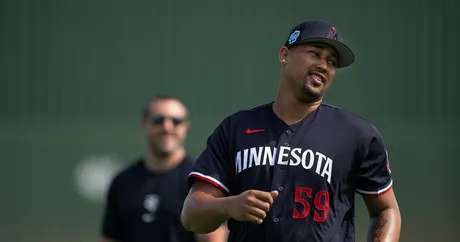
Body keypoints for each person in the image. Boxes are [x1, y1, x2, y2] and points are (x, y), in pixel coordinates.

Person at [181, 20, 401, 242]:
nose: (324, 66)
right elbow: (191, 215)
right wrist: (230, 205)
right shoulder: (235, 129)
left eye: (331, 61)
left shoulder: (356, 134)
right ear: (284, 55)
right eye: (315, 53)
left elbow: (386, 211)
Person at [99, 95, 228, 242]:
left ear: (186, 127)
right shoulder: (123, 182)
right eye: (158, 120)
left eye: (176, 121)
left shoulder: (202, 180)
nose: (167, 127)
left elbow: (214, 239)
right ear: (144, 124)